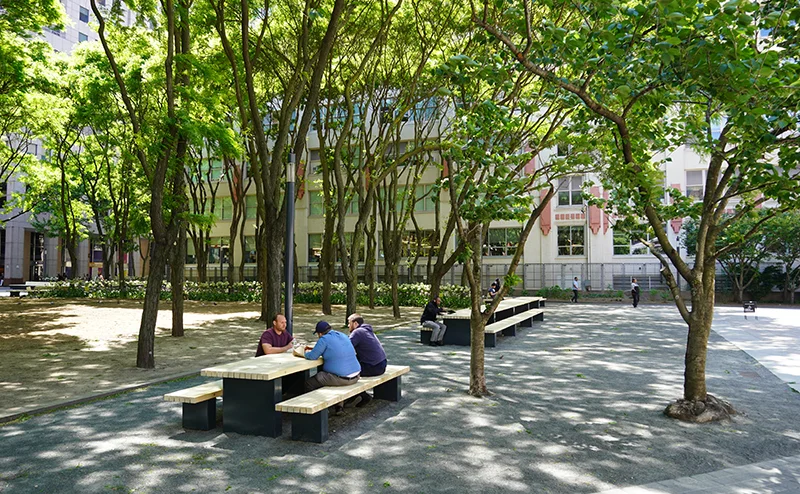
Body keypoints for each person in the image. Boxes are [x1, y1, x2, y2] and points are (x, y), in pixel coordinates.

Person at [303, 321, 361, 392]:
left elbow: (312, 356)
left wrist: (302, 353)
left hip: (342, 378)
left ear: (320, 334)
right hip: (356, 376)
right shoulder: (343, 335)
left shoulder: (324, 339)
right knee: (323, 376)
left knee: (310, 382)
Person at [347, 313, 387, 407]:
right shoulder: (367, 330)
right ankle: (353, 396)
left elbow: (346, 347)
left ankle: (362, 396)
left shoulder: (357, 332)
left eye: (349, 323)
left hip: (373, 367)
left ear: (355, 323)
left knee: (345, 373)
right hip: (381, 364)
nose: (348, 325)